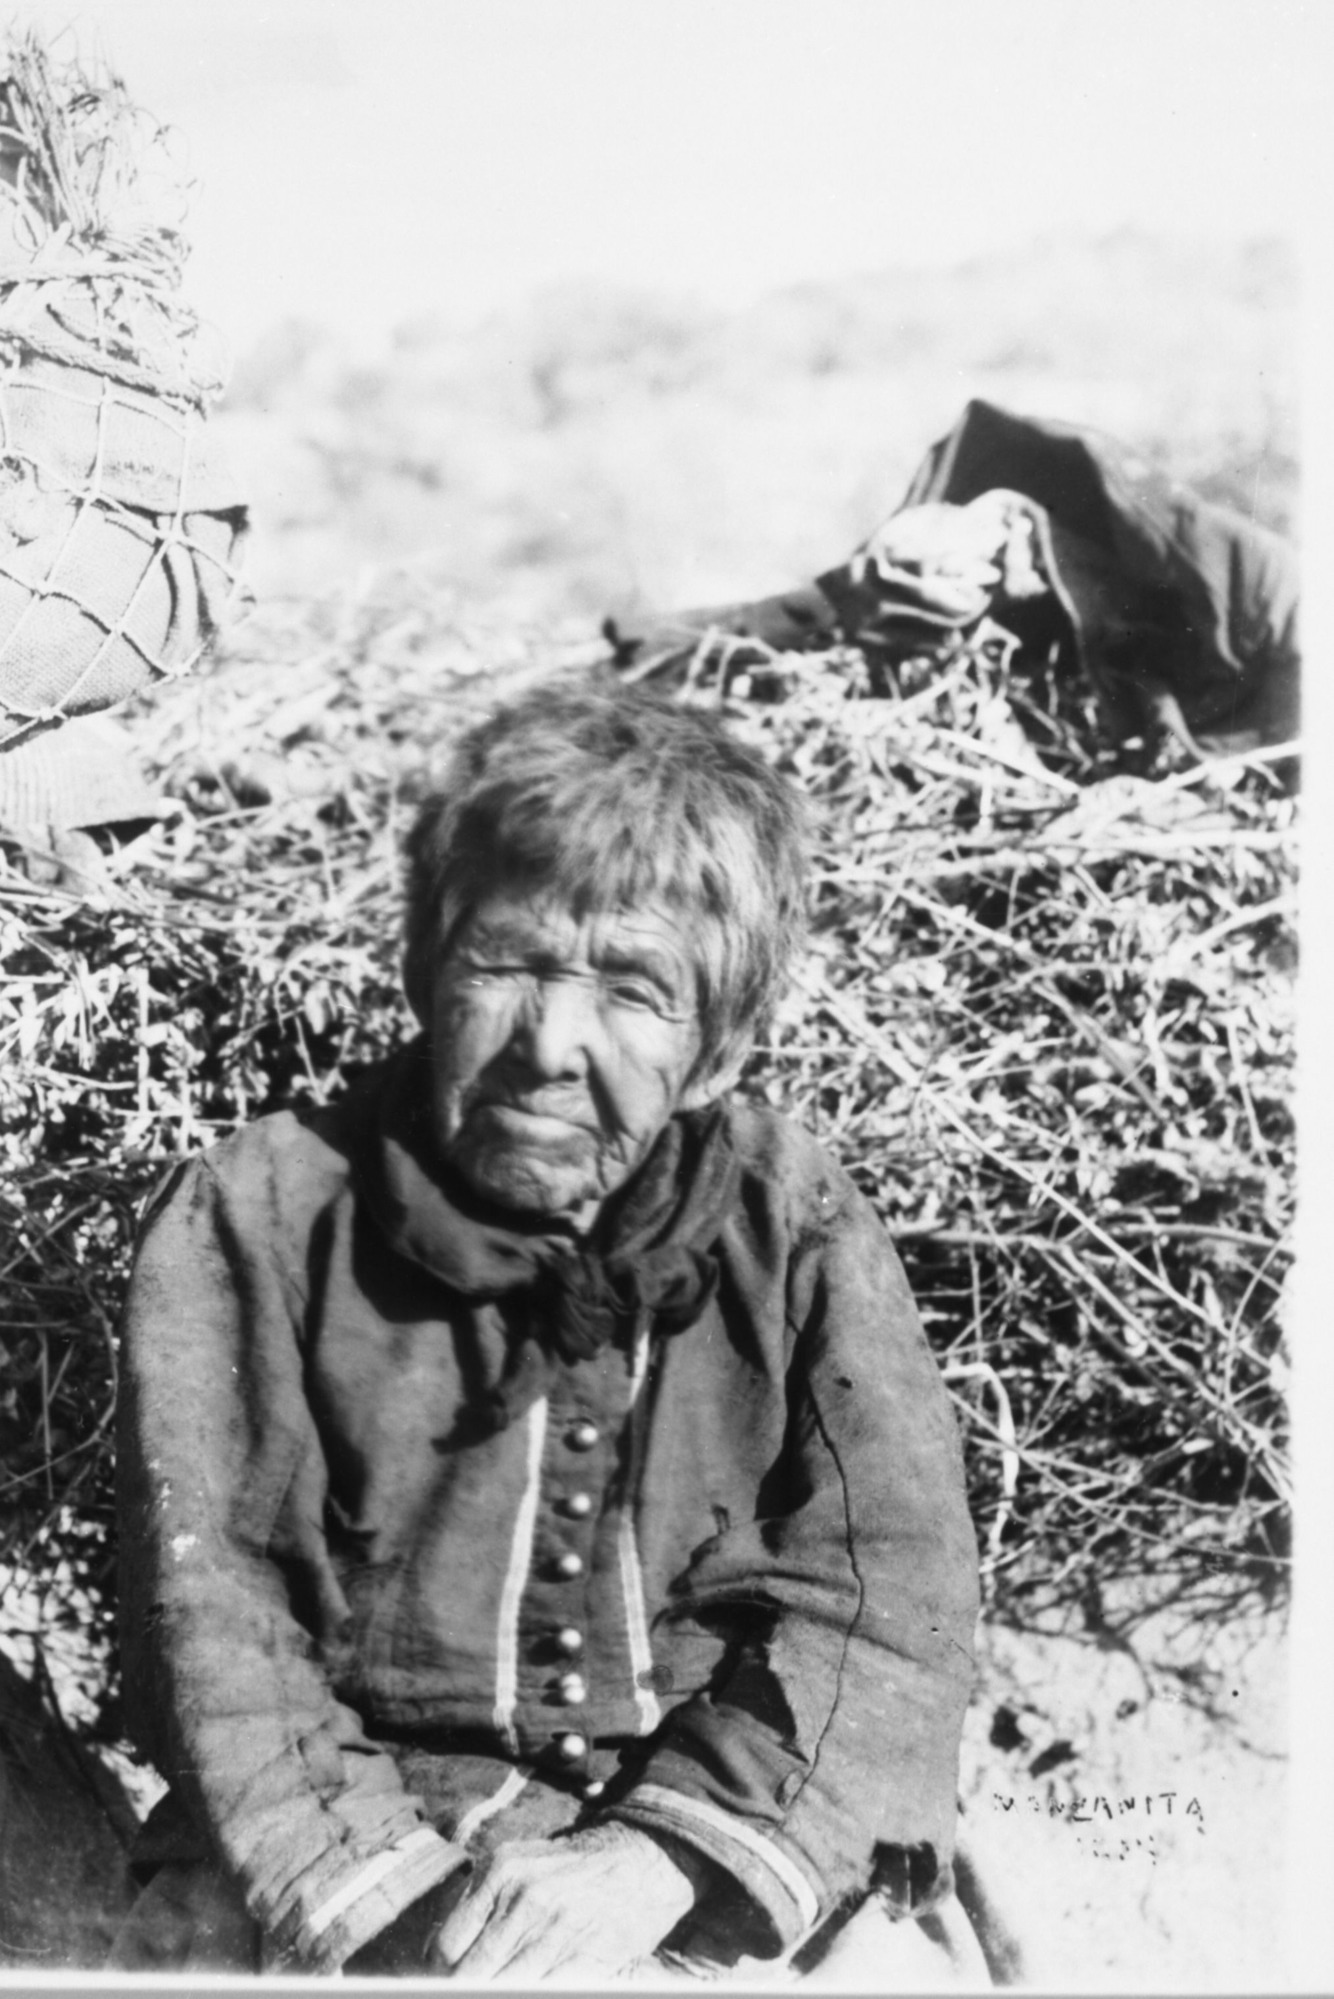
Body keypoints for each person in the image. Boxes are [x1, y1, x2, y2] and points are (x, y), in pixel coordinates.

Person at [109, 679, 981, 1983]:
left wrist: (659, 1862)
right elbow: (219, 1625)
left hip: (703, 1823)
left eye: (632, 990)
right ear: (422, 965)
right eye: (504, 963)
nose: (550, 1045)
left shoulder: (786, 1211)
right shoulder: (255, 1214)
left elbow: (885, 1593)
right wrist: (408, 1905)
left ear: (722, 1046)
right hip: (329, 1841)